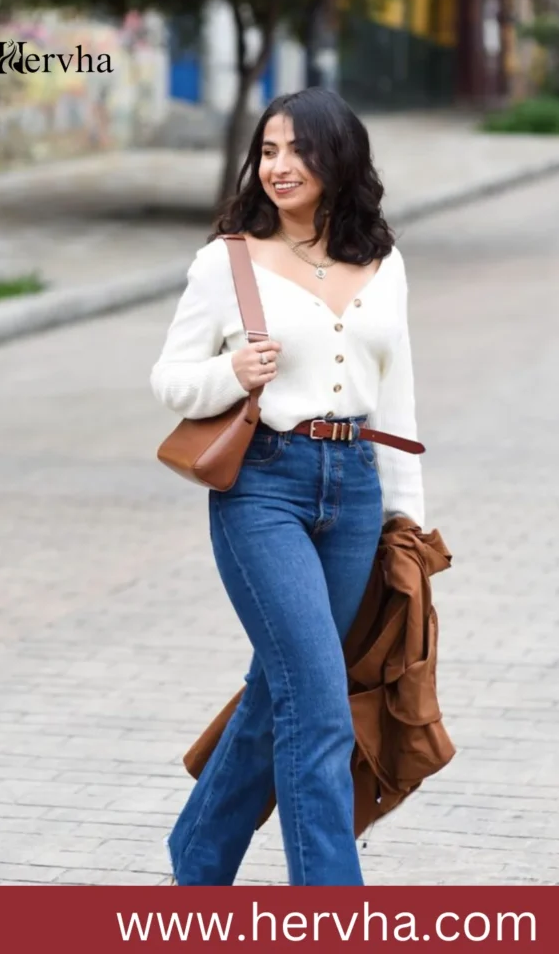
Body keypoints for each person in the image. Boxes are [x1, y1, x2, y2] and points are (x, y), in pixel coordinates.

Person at [150, 87, 424, 886]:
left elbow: (398, 389)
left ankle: (198, 856)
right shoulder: (225, 260)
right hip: (261, 489)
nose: (277, 166)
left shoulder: (383, 261)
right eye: (266, 151)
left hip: (356, 490)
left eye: (296, 151)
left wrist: (407, 520)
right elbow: (169, 380)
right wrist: (228, 373)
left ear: (337, 158)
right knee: (319, 703)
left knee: (283, 690)